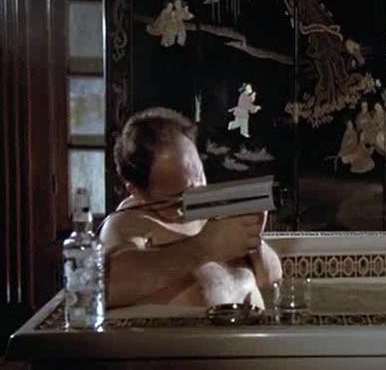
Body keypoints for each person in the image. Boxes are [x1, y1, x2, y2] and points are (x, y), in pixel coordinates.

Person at [100, 107, 282, 309]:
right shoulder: (128, 221)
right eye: (179, 195)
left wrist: (254, 241)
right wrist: (203, 247)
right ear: (137, 191)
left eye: (200, 178)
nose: (196, 195)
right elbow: (106, 287)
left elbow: (271, 279)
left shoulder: (211, 208)